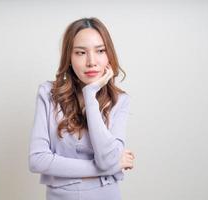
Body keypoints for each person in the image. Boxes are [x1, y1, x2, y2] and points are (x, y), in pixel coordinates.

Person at [29, 17, 135, 200]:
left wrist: (90, 94)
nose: (91, 61)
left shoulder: (120, 100)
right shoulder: (48, 93)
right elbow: (37, 160)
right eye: (80, 53)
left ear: (109, 54)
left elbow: (106, 159)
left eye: (100, 51)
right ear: (69, 57)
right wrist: (107, 169)